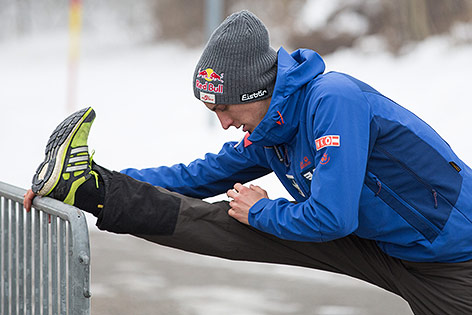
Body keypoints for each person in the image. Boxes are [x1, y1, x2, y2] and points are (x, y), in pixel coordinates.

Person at [24, 10, 471, 314]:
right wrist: (100, 181)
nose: (223, 124)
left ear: (258, 92)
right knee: (229, 221)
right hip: (391, 248)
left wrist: (262, 210)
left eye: (225, 108)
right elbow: (195, 177)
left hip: (458, 264)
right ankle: (86, 187)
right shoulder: (271, 128)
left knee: (257, 215)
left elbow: (332, 216)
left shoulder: (334, 101)